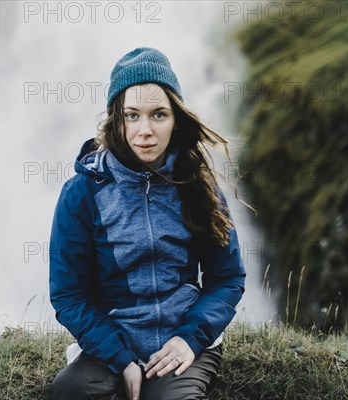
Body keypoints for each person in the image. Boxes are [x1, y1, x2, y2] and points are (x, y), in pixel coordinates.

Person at [48, 47, 246, 400]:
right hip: (111, 340)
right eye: (132, 116)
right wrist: (120, 357)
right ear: (116, 120)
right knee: (71, 391)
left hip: (181, 337)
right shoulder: (81, 193)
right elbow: (69, 294)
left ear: (176, 119)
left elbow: (227, 278)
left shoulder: (198, 186)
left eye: (158, 115)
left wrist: (189, 339)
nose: (145, 131)